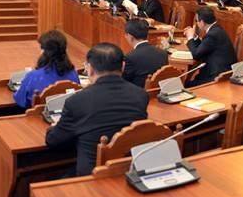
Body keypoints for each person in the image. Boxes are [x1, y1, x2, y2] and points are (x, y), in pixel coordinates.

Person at [46, 43, 148, 176]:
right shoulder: (141, 95)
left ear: (90, 69)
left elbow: (53, 141)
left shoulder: (77, 101)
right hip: (128, 169)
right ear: (123, 66)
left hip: (93, 175)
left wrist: (53, 128)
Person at [13, 30, 80, 109]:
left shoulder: (33, 76)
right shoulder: (73, 73)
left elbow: (20, 100)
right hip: (68, 114)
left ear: (44, 51)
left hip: (39, 115)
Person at [185, 7, 238, 86]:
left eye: (196, 21)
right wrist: (195, 37)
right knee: (189, 81)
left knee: (186, 85)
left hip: (217, 77)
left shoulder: (212, 34)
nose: (196, 23)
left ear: (202, 22)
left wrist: (190, 37)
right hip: (223, 72)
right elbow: (204, 48)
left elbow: (196, 55)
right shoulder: (216, 29)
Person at [122, 20, 168, 88]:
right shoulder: (163, 53)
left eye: (126, 35)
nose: (125, 37)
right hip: (157, 91)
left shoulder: (130, 57)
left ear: (130, 36)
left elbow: (124, 82)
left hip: (138, 92)